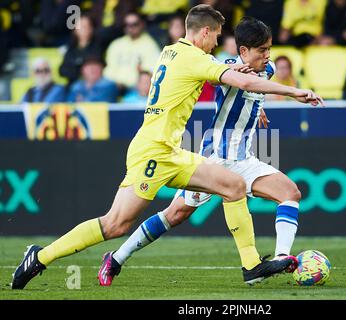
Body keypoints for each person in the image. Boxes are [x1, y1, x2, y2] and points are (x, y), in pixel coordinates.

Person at [11, 4, 322, 290]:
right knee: (115, 223)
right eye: (214, 36)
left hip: (170, 150)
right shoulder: (196, 58)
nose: (215, 42)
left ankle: (252, 266)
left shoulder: (171, 51)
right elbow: (241, 82)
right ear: (204, 32)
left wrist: (241, 83)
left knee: (233, 185)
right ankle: (41, 256)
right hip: (154, 152)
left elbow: (230, 76)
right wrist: (294, 91)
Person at [98, 17, 311, 287]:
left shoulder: (267, 69)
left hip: (244, 159)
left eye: (269, 48)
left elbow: (253, 92)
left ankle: (282, 258)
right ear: (243, 52)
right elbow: (240, 84)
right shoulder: (229, 68)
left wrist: (258, 109)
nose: (268, 55)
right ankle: (116, 259)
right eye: (262, 50)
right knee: (175, 214)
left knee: (290, 193)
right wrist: (294, 92)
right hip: (216, 159)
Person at [103, 12, 161, 89]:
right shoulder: (116, 44)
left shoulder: (150, 45)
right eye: (127, 25)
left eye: (135, 24)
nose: (131, 28)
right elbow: (109, 69)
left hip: (135, 87)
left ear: (142, 24)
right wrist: (115, 83)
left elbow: (151, 72)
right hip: (114, 85)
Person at [59, 14, 102, 86]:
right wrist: (80, 66)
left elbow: (93, 70)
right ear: (75, 30)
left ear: (91, 29)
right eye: (80, 26)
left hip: (92, 85)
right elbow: (62, 70)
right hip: (72, 85)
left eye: (85, 26)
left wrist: (75, 65)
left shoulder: (97, 47)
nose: (83, 29)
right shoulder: (71, 48)